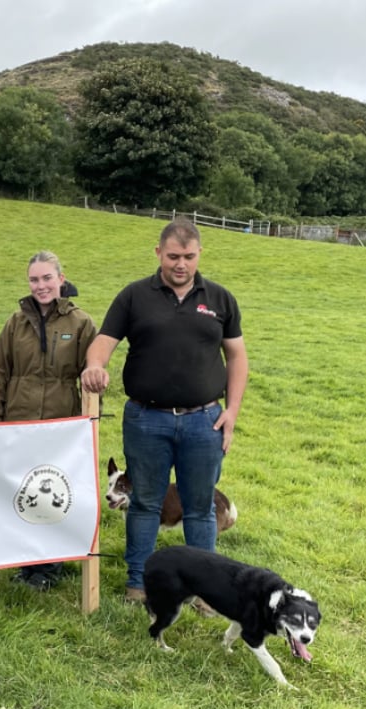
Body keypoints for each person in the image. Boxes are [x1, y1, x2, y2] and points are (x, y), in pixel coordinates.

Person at [80, 218, 248, 605]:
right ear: (158, 253)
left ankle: (204, 590)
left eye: (189, 257)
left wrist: (232, 412)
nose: (181, 264)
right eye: (173, 256)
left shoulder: (220, 299)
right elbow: (103, 341)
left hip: (204, 421)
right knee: (144, 503)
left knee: (200, 507)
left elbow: (237, 356)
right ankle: (139, 583)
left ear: (199, 254)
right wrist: (95, 365)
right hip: (145, 419)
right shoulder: (134, 296)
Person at [0, 251, 97, 590]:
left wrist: (85, 426)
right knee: (23, 494)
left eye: (47, 278)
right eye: (34, 279)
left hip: (60, 429)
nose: (41, 285)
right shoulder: (16, 323)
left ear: (61, 279)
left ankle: (49, 566)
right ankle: (25, 562)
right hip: (18, 424)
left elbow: (92, 377)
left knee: (53, 494)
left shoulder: (81, 324)